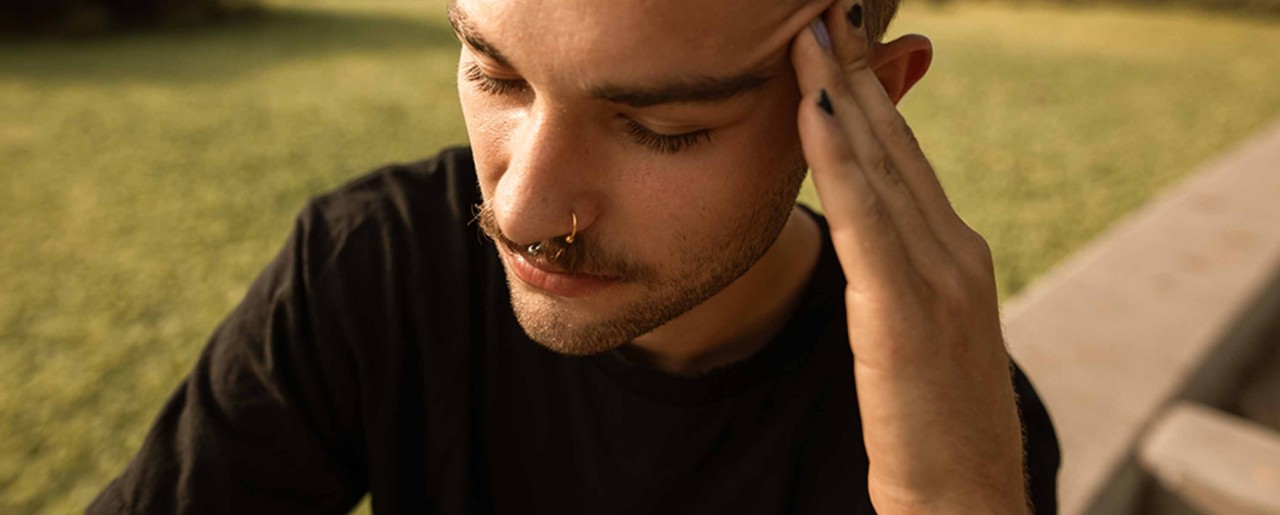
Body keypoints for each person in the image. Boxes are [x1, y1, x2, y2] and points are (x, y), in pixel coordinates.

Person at [89, 0, 1060, 512]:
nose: (516, 209)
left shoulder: (951, 426)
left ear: (866, 102)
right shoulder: (372, 265)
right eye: (493, 73)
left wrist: (950, 501)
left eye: (658, 126)